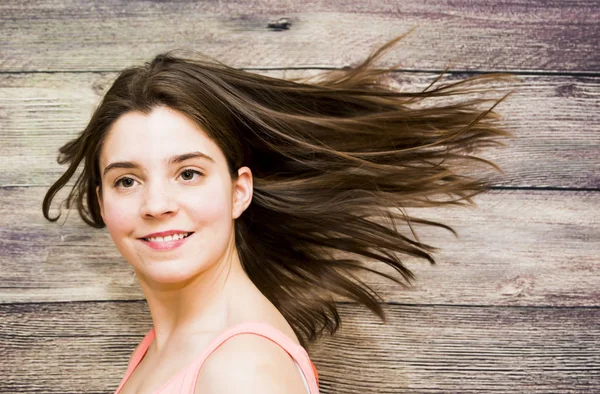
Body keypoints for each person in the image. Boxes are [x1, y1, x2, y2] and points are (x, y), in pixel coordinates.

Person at [42, 30, 519, 393]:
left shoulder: (242, 371)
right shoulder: (163, 347)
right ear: (102, 202)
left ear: (238, 191)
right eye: (127, 180)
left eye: (188, 173)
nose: (157, 205)